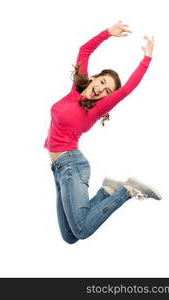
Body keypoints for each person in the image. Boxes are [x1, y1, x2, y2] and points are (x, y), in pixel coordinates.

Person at [44, 21, 162, 244]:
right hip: (58, 169)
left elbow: (127, 89)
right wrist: (107, 33)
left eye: (107, 91)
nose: (101, 89)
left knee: (81, 230)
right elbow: (84, 51)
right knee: (70, 237)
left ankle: (127, 191)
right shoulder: (74, 91)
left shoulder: (95, 110)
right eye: (102, 82)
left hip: (71, 165)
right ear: (94, 77)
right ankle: (107, 190)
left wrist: (146, 59)